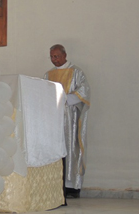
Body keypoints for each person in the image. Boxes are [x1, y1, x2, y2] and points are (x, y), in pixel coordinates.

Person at [44, 44, 90, 201]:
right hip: (54, 119)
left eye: (56, 56)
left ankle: (72, 186)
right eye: (51, 56)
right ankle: (56, 184)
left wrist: (66, 99)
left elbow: (84, 91)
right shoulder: (48, 74)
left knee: (71, 148)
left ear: (64, 55)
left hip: (70, 118)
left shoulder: (76, 72)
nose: (54, 59)